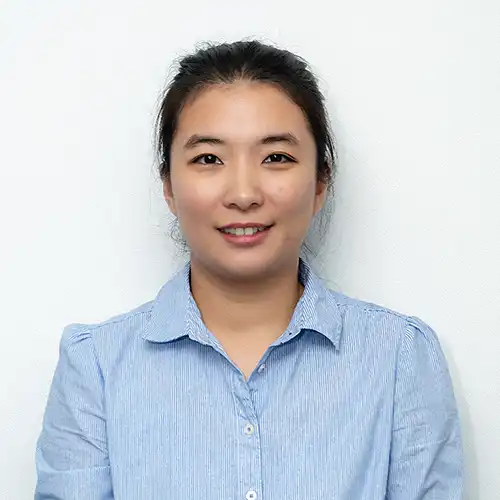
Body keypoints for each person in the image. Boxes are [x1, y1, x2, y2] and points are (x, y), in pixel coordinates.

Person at [34, 40, 464, 500]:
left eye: (276, 157)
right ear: (169, 186)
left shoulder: (399, 359)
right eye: (208, 158)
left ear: (321, 181)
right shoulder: (96, 368)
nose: (243, 194)